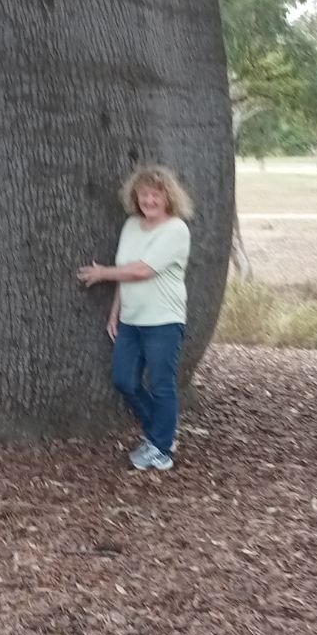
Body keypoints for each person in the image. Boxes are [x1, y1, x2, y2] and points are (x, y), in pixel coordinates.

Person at [77, 164, 193, 471]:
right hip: (131, 320)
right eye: (143, 194)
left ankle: (161, 449)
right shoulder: (131, 225)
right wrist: (116, 311)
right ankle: (160, 432)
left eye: (156, 194)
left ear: (168, 197)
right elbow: (126, 270)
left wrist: (102, 273)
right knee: (124, 380)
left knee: (161, 383)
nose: (149, 200)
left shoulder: (176, 230)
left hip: (163, 321)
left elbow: (142, 270)